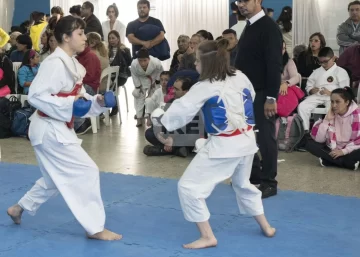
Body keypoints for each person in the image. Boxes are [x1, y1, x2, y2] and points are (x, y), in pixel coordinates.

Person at [6, 15, 121, 241]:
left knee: (53, 179)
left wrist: (97, 102)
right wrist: (71, 104)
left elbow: (79, 100)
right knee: (87, 171)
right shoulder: (53, 64)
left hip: (54, 127)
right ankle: (95, 228)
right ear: (66, 38)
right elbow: (37, 96)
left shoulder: (72, 64)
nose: (84, 38)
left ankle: (18, 208)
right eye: (79, 34)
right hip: (49, 128)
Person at [160, 39, 276, 249]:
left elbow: (180, 111)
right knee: (242, 184)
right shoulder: (240, 76)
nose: (195, 65)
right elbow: (249, 97)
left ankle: (207, 236)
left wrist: (162, 119)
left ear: (208, 63)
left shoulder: (204, 87)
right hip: (248, 142)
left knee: (188, 187)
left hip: (225, 147)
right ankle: (266, 227)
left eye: (197, 61)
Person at [235, 0, 283, 198]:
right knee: (246, 136)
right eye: (238, 1)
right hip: (245, 92)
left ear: (258, 1)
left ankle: (269, 181)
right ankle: (253, 176)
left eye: (245, 1)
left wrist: (271, 97)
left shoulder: (269, 28)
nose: (241, 5)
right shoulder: (249, 25)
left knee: (265, 137)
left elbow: (274, 64)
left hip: (262, 92)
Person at [306, 87, 360, 170]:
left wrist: (344, 151)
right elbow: (319, 140)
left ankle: (330, 160)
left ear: (347, 102)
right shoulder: (331, 114)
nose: (334, 105)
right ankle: (347, 163)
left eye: (337, 102)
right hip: (334, 148)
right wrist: (326, 120)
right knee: (309, 143)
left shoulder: (357, 115)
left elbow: (358, 141)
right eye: (332, 102)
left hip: (351, 149)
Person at [298, 47, 350, 132]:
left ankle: (331, 131)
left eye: (325, 61)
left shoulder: (341, 72)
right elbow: (309, 86)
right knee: (302, 107)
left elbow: (345, 90)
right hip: (317, 96)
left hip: (333, 98)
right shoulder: (316, 72)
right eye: (320, 62)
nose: (323, 64)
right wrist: (311, 90)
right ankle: (305, 130)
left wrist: (331, 93)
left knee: (332, 108)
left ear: (333, 58)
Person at [131, 48, 163, 127]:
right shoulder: (134, 64)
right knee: (139, 97)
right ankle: (139, 118)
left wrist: (157, 81)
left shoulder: (155, 62)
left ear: (148, 58)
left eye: (145, 60)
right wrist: (138, 86)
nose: (142, 63)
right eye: (140, 60)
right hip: (141, 80)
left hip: (153, 78)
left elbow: (160, 71)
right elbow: (134, 75)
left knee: (153, 97)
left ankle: (152, 117)